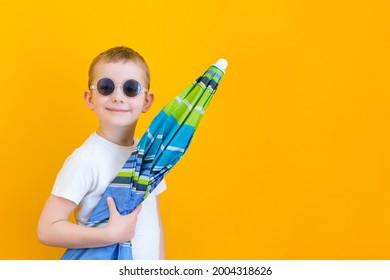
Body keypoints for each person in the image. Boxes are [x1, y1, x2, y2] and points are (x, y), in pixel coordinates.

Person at [37, 46, 166, 260]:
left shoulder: (149, 154)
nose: (117, 97)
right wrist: (110, 234)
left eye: (130, 88)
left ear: (146, 101)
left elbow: (155, 222)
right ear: (89, 98)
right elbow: (47, 229)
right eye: (106, 87)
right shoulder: (85, 160)